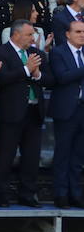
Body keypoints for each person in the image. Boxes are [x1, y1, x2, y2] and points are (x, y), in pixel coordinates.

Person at [0, 20, 50, 208]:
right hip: (10, 113)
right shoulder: (1, 52)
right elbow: (2, 79)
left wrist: (38, 74)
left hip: (33, 111)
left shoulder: (37, 54)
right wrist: (26, 69)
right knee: (5, 155)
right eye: (29, 34)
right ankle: (1, 194)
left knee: (32, 157)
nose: (33, 38)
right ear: (15, 35)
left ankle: (28, 194)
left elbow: (50, 79)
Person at [47, 19, 84, 209]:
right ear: (68, 34)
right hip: (66, 109)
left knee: (78, 156)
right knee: (63, 153)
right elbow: (62, 77)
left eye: (83, 31)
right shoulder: (58, 52)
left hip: (82, 109)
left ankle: (75, 194)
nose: (82, 35)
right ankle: (60, 194)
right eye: (78, 32)